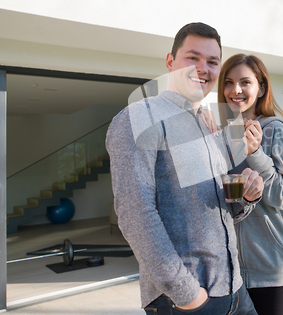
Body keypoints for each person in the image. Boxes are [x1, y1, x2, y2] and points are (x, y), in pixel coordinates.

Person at [106, 23, 264, 315]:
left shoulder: (210, 125)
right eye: (193, 58)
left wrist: (247, 195)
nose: (203, 68)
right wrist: (187, 294)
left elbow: (224, 207)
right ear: (170, 62)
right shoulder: (138, 117)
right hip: (187, 302)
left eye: (213, 62)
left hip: (235, 290)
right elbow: (134, 212)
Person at [218, 54, 283, 315]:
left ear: (261, 87)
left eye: (245, 82)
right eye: (229, 82)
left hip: (270, 270)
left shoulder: (275, 130)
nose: (235, 90)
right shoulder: (224, 134)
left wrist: (255, 154)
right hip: (230, 273)